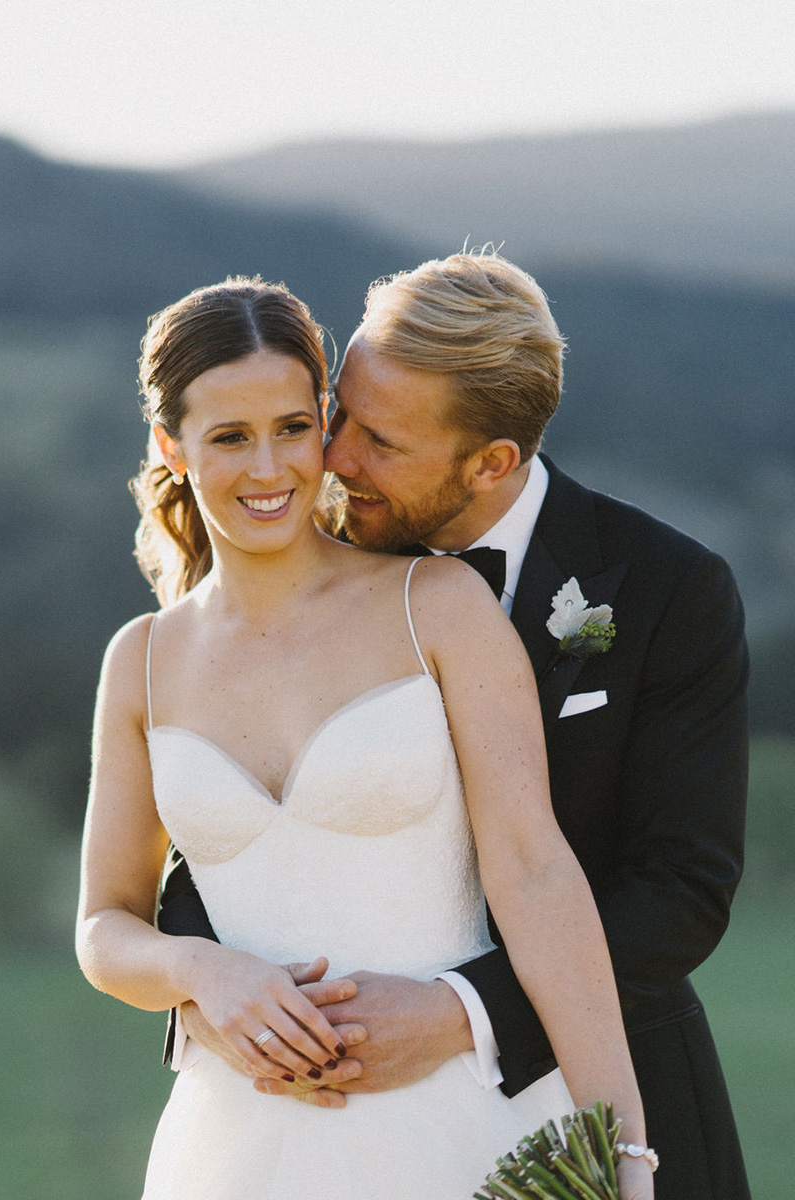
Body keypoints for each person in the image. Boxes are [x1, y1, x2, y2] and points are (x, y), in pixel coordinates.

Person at [162, 252, 750, 1200]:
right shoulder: (292, 557)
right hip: (322, 1111)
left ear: (492, 463)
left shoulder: (668, 590)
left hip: (601, 1088)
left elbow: (680, 890)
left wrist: (459, 1012)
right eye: (339, 414)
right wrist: (226, 1000)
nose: (336, 459)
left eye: (380, 442)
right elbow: (214, 832)